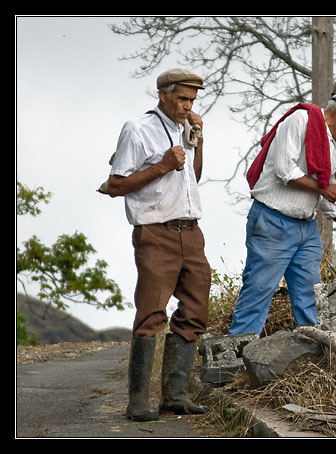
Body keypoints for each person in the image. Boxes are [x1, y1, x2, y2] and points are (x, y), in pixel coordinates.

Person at [107, 68, 212, 421]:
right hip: (155, 231)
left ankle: (175, 395)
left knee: (195, 309)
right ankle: (137, 401)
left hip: (191, 231)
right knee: (152, 312)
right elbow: (116, 183)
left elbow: (193, 177)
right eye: (182, 98)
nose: (188, 106)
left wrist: (197, 139)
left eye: (192, 100)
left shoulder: (185, 128)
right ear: (163, 94)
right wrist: (164, 165)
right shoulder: (138, 128)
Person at [229, 88, 336, 336]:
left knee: (311, 293)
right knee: (259, 289)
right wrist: (325, 187)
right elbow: (284, 170)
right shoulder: (301, 120)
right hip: (273, 221)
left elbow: (327, 199)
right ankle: (236, 357)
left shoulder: (331, 145)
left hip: (306, 228)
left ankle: (308, 347)